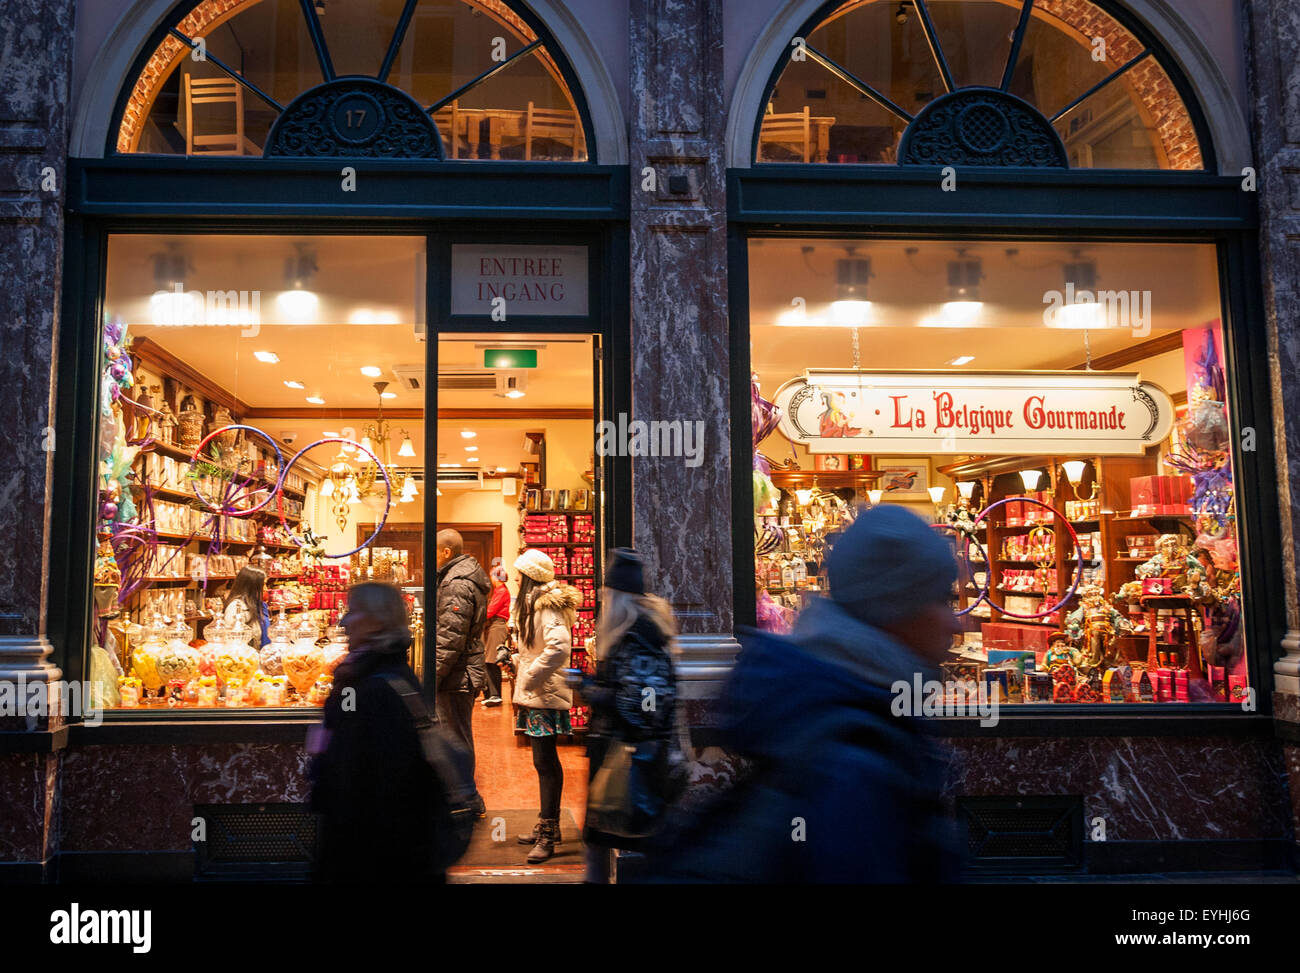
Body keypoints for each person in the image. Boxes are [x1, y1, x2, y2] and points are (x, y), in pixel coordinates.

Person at [645, 505, 963, 883]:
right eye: (943, 599)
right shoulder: (855, 762)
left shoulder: (848, 722)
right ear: (898, 609)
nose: (956, 622)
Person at [308, 582, 444, 883]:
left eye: (353, 612)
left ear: (377, 621)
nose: (344, 621)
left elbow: (367, 777)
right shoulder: (379, 673)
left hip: (372, 851)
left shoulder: (374, 686)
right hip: (383, 844)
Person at [571, 548, 681, 883]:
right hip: (628, 758)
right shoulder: (645, 634)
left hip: (628, 761)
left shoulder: (637, 638)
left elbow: (640, 706)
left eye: (607, 594)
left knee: (614, 839)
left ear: (617, 597)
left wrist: (587, 688)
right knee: (607, 841)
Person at [510, 549, 581, 864]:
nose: (514, 577)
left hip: (544, 693)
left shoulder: (546, 609)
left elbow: (559, 647)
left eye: (519, 573)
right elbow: (536, 649)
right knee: (543, 761)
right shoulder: (533, 606)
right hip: (539, 692)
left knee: (545, 761)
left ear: (529, 577)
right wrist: (516, 661)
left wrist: (532, 677)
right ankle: (546, 823)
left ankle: (549, 832)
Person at [435, 529, 489, 816]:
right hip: (461, 670)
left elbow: (450, 636)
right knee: (456, 736)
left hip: (459, 673)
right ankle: (464, 799)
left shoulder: (457, 583)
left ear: (446, 552)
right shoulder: (462, 577)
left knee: (455, 738)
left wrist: (432, 676)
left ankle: (467, 800)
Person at [480, 562, 510, 707]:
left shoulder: (501, 591)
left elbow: (490, 611)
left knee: (491, 661)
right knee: (489, 660)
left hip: (497, 626)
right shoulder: (500, 591)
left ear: (496, 577)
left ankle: (495, 695)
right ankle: (492, 694)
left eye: (492, 576)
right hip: (494, 626)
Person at [223, 565, 269, 647]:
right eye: (263, 585)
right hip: (246, 658)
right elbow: (232, 642)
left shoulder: (258, 605)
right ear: (251, 586)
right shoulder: (236, 608)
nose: (266, 589)